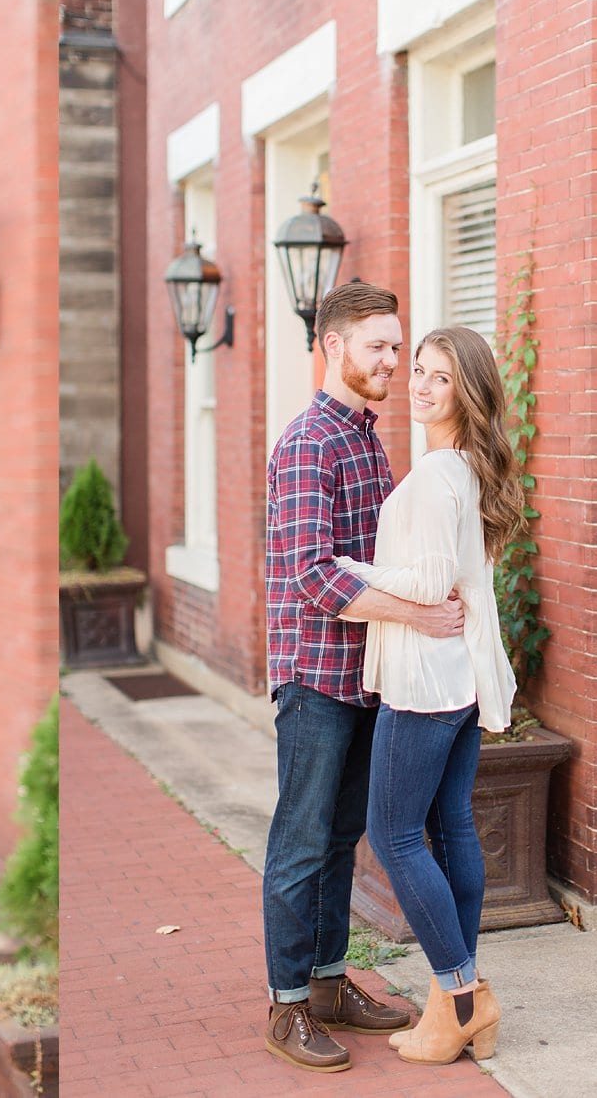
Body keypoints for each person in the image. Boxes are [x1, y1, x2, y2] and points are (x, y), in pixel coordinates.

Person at [262, 282, 466, 1073]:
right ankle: (284, 1006)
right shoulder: (309, 441)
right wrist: (417, 615)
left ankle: (326, 984)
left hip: (366, 677)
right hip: (314, 678)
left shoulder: (364, 437)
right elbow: (313, 574)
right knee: (301, 842)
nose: (392, 361)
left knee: (341, 841)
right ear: (333, 346)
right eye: (378, 346)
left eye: (397, 347)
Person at [336, 325, 524, 1065]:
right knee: (449, 830)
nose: (418, 383)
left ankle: (461, 995)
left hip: (423, 676)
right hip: (458, 676)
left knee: (393, 834)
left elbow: (425, 578)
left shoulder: (441, 473)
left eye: (439, 377)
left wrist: (349, 572)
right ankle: (461, 1002)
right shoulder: (464, 467)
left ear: (466, 392)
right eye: (416, 369)